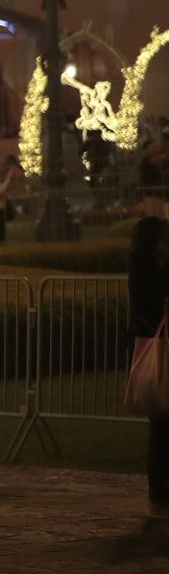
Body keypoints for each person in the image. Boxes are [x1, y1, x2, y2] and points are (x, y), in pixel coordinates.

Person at [128, 215, 169, 516]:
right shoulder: (143, 270)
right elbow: (147, 306)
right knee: (160, 427)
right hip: (156, 345)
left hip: (157, 342)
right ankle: (159, 492)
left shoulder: (159, 267)